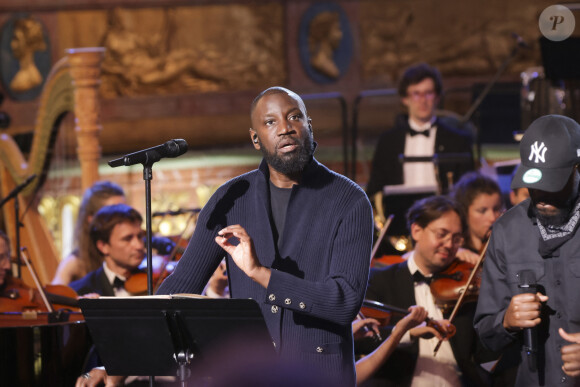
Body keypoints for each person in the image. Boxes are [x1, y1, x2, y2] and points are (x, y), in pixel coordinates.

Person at [156, 86, 374, 386]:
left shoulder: (349, 200)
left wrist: (261, 274)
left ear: (308, 125)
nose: (285, 128)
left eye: (294, 117)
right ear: (255, 138)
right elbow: (179, 288)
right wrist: (116, 364)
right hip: (250, 376)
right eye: (270, 122)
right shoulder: (231, 198)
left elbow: (344, 301)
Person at [474, 114, 580, 386]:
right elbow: (486, 332)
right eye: (534, 185)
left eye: (552, 184)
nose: (542, 196)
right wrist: (506, 321)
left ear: (576, 169)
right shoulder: (507, 230)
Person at [364, 195, 492, 386]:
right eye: (442, 234)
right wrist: (409, 333)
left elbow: (483, 347)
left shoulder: (466, 285)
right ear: (416, 230)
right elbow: (361, 339)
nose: (449, 245)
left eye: (456, 238)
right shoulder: (379, 280)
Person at [366, 62, 474, 201]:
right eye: (416, 94)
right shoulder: (387, 142)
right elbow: (375, 189)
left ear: (437, 97)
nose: (423, 100)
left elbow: (468, 193)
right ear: (405, 99)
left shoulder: (459, 141)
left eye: (428, 93)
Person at [52, 181, 125, 285]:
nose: (124, 221)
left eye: (125, 212)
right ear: (91, 219)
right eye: (114, 214)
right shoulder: (75, 262)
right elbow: (55, 293)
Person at [69, 203, 144, 297]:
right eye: (127, 239)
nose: (139, 246)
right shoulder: (80, 290)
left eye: (140, 236)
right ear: (103, 246)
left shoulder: (155, 283)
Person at [451, 172, 503, 254]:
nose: (492, 218)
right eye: (482, 211)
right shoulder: (456, 255)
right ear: (464, 212)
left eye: (496, 209)